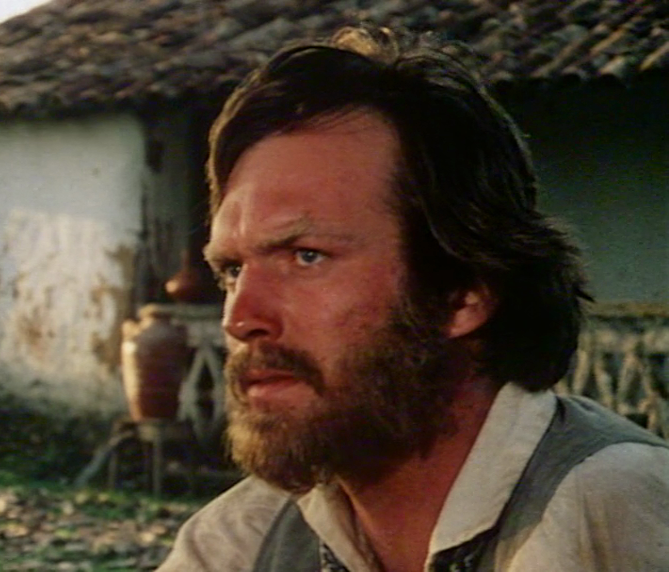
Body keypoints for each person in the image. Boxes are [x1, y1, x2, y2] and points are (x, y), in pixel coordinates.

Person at [157, 27, 669, 572]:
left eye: (306, 256)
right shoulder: (241, 543)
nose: (240, 318)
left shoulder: (612, 512)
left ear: (463, 292)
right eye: (233, 270)